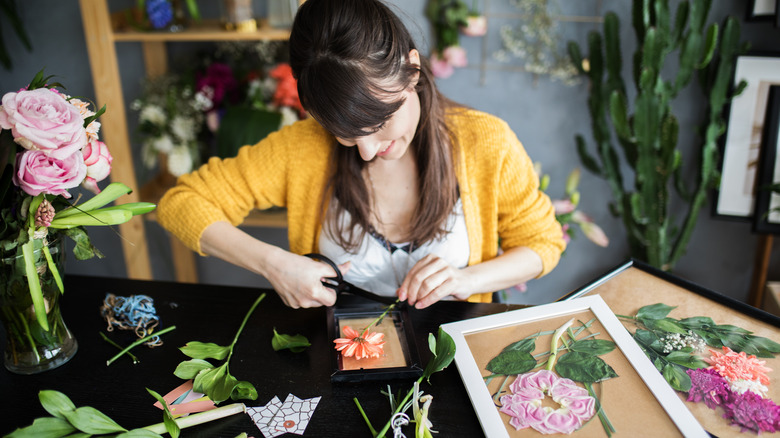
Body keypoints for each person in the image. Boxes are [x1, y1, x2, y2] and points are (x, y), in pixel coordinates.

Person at [157, 0, 565, 310]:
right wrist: (273, 264)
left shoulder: (486, 141)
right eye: (346, 135)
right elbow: (181, 203)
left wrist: (466, 278)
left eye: (381, 121)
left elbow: (542, 243)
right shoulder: (303, 146)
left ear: (413, 70)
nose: (368, 151)